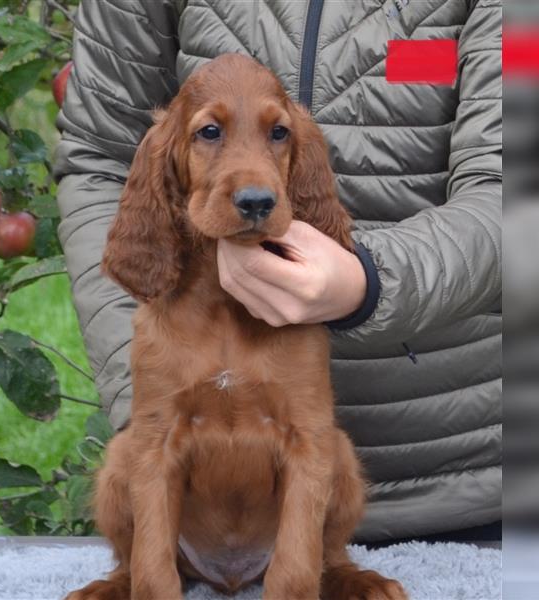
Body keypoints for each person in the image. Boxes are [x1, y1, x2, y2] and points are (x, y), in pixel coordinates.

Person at [54, 0, 501, 543]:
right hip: (201, 498)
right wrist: (158, 406)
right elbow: (102, 157)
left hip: (466, 480)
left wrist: (370, 283)